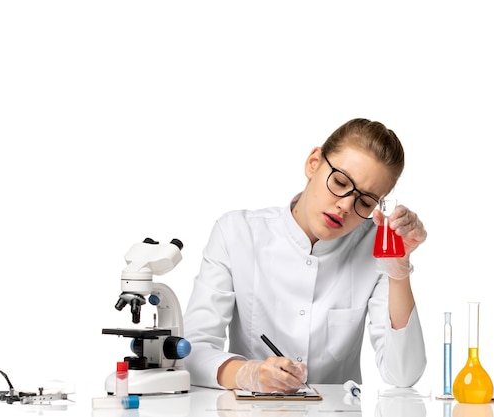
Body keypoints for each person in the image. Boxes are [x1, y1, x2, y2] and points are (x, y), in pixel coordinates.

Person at [182, 118, 427, 393]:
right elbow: (190, 351)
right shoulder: (237, 233)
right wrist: (249, 374)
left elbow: (403, 374)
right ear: (313, 163)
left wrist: (399, 269)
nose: (346, 205)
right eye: (340, 181)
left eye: (366, 201)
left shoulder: (375, 246)